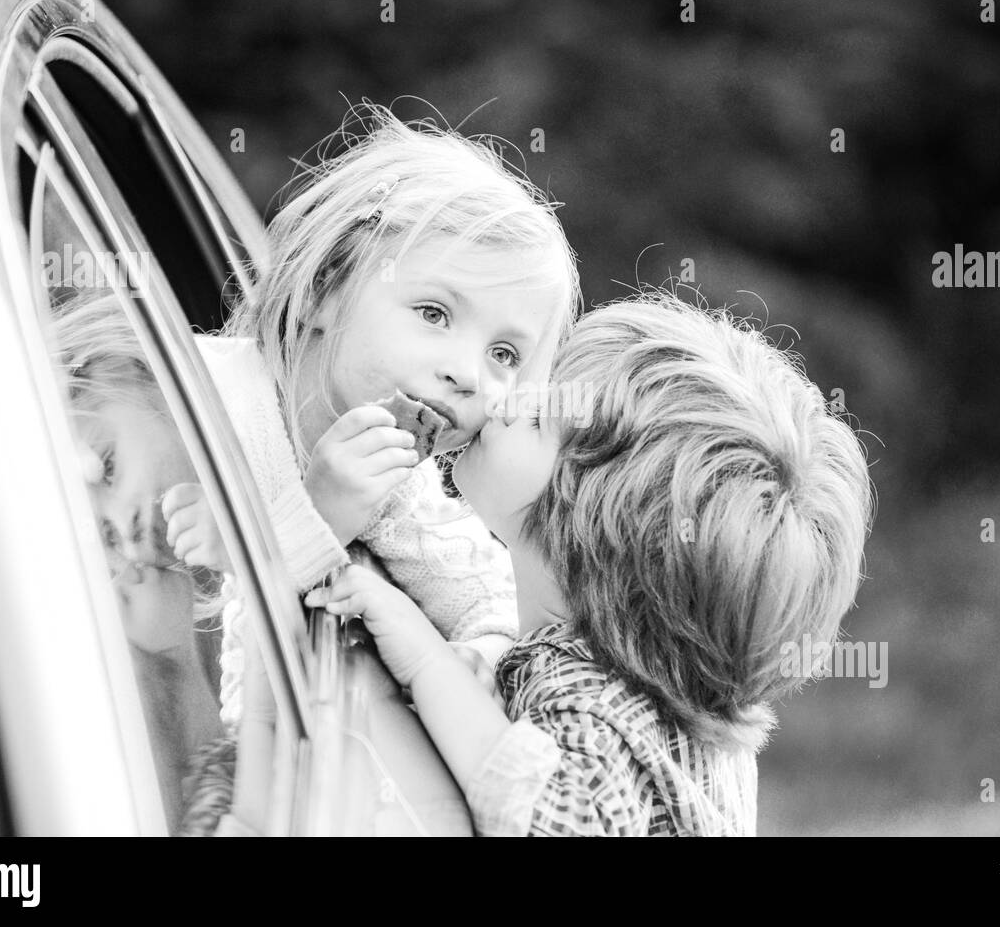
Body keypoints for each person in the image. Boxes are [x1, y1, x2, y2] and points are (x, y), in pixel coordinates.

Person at [311, 292, 875, 835]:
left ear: (593, 530)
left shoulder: (589, 699)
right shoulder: (658, 702)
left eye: (539, 419)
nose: (508, 398)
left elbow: (552, 818)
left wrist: (427, 664)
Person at [180, 104, 581, 728]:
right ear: (323, 288)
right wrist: (320, 515)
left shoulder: (401, 495)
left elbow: (494, 602)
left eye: (504, 354)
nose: (468, 373)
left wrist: (478, 658)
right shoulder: (197, 394)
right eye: (433, 313)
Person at [51, 293, 224, 833]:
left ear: (123, 367)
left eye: (106, 466)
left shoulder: (292, 442)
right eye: (103, 538)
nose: (124, 532)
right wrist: (176, 660)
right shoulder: (187, 614)